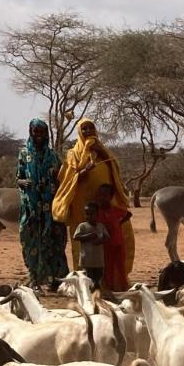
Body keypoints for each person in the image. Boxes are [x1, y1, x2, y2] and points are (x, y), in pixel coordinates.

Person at [52, 118, 135, 277]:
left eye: (90, 128)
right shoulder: (73, 154)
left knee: (109, 240)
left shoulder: (104, 152)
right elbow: (67, 180)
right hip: (83, 207)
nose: (88, 131)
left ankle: (111, 279)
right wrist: (85, 170)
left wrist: (101, 152)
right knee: (84, 243)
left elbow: (116, 171)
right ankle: (83, 281)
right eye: (84, 129)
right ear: (79, 132)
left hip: (104, 205)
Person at [16, 119, 69, 289]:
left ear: (46, 134)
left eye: (42, 132)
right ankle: (35, 280)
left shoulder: (53, 155)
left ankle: (56, 281)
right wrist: (24, 182)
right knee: (29, 239)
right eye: (35, 131)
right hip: (32, 207)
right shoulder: (24, 154)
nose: (38, 135)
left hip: (51, 207)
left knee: (55, 242)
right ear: (30, 132)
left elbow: (62, 177)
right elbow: (19, 177)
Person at [94, 183, 132, 291]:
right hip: (105, 246)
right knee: (108, 267)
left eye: (105, 195)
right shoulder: (96, 213)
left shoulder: (115, 210)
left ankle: (124, 286)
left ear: (111, 197)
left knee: (121, 266)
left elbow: (128, 214)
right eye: (99, 195)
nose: (102, 198)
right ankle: (109, 288)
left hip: (119, 243)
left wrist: (118, 223)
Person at [72, 201, 108, 287]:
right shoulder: (82, 226)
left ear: (97, 214)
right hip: (87, 259)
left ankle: (96, 293)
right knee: (88, 278)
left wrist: (100, 241)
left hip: (98, 259)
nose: (89, 216)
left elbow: (107, 237)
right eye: (87, 214)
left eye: (92, 214)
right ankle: (89, 294)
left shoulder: (101, 226)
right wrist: (88, 236)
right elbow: (76, 237)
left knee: (98, 277)